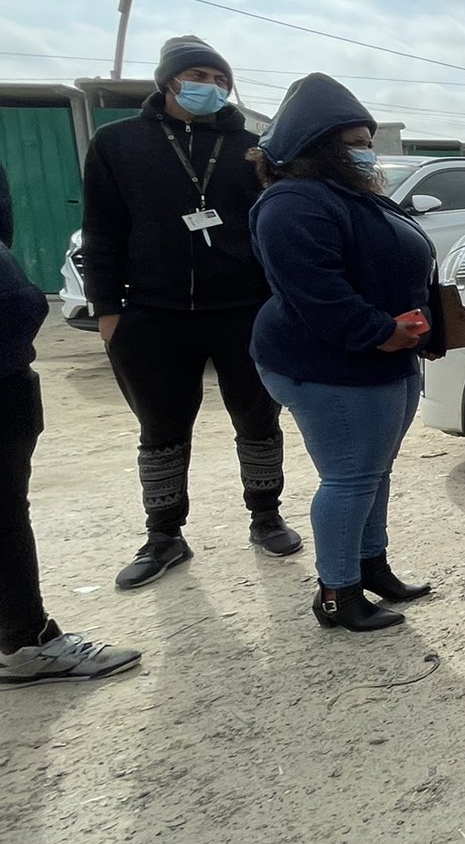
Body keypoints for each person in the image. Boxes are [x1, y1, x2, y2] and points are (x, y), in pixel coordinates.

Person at [80, 35, 301, 589]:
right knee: (161, 427)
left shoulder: (253, 149)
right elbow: (103, 230)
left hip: (244, 310)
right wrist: (109, 311)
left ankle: (265, 515)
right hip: (154, 313)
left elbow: (274, 228)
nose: (212, 86)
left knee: (257, 418)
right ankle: (164, 535)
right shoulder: (118, 143)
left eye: (221, 78)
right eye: (200, 75)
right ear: (169, 80)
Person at [248, 75, 444, 633]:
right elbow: (317, 292)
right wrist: (380, 331)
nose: (364, 150)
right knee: (350, 477)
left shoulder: (352, 196)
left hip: (384, 357)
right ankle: (337, 592)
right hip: (334, 364)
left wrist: (416, 331)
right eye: (352, 140)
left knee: (373, 472)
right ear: (317, 145)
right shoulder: (292, 203)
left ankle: (370, 567)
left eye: (366, 138)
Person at [0, 159, 141, 686]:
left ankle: (23, 638)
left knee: (6, 510)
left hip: (8, 369)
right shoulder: (117, 147)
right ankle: (25, 641)